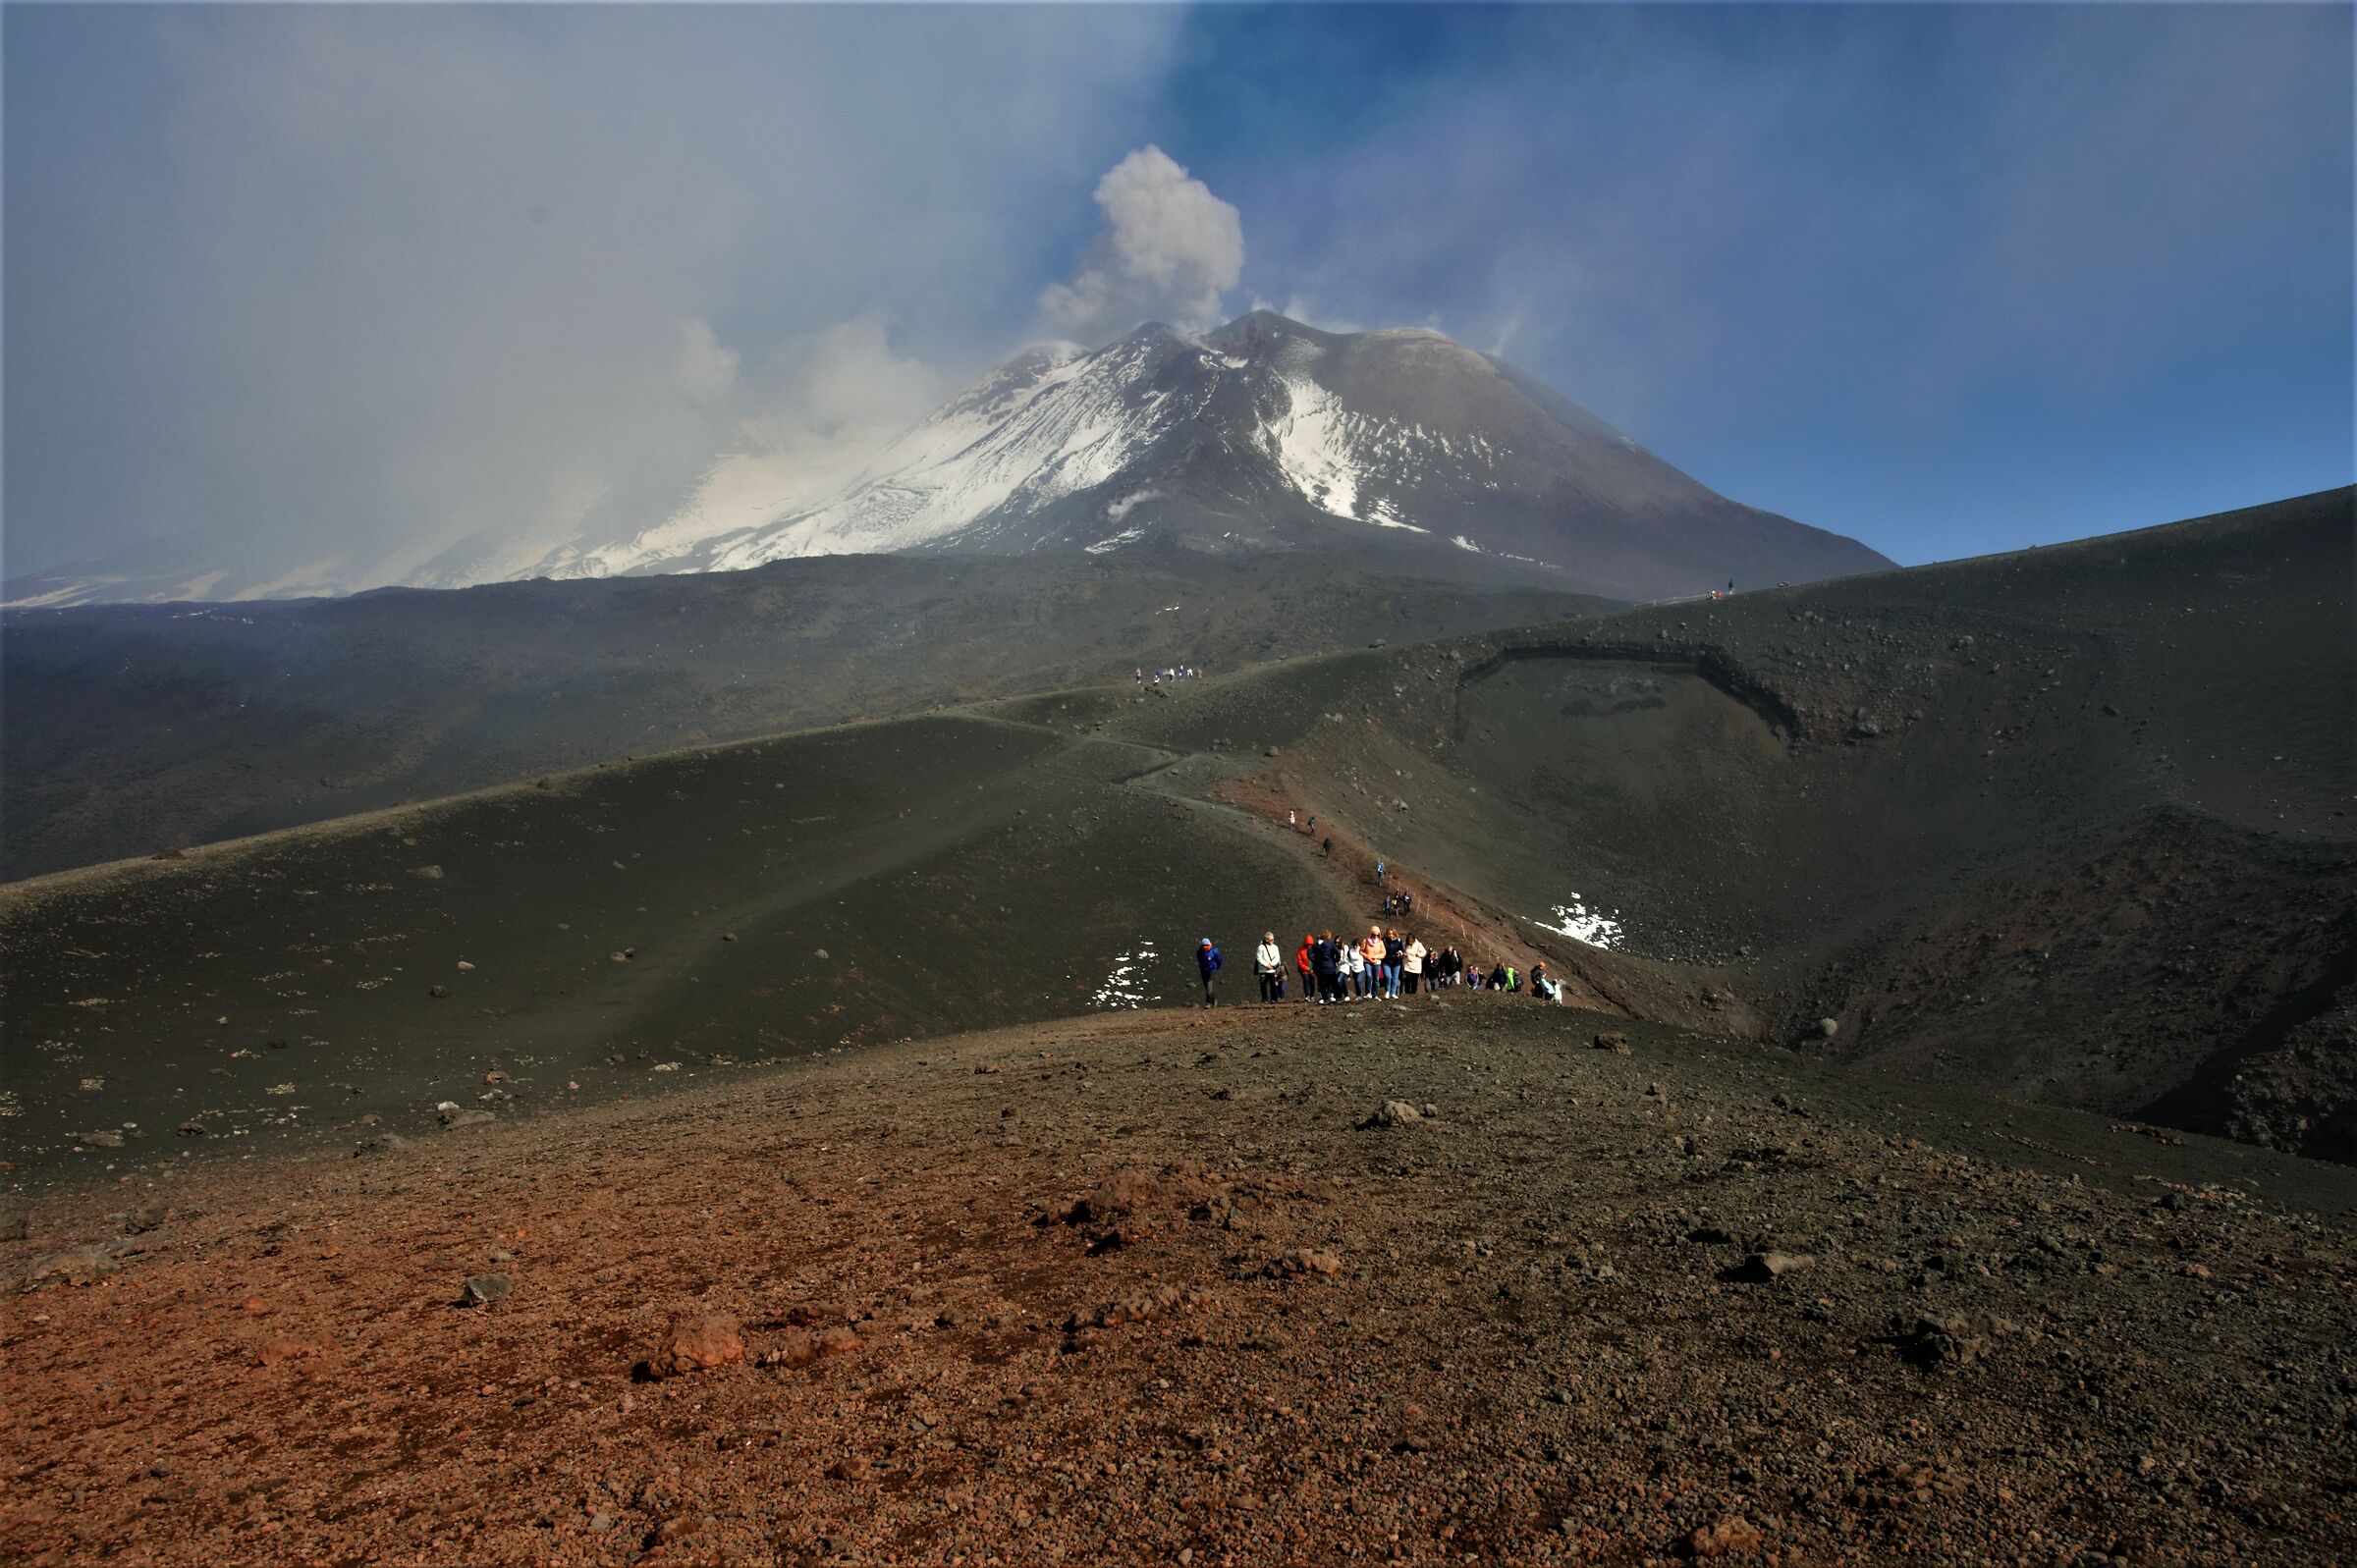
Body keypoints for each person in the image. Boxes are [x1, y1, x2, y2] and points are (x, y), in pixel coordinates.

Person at [1254, 932, 1284, 1003]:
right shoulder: (1261, 947)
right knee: (1263, 985)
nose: (1273, 941)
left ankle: (1273, 999)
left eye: (1273, 939)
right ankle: (1265, 999)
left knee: (1273, 984)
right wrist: (1266, 965)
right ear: (1266, 940)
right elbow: (1259, 958)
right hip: (1263, 970)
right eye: (1271, 940)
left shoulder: (1275, 947)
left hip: (1272, 970)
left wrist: (1272, 965)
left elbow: (1277, 957)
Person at [1197, 938, 1222, 1007]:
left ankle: (1208, 1003)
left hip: (1212, 971)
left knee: (1209, 986)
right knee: (1207, 987)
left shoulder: (1214, 952)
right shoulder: (1199, 952)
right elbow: (1200, 960)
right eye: (1203, 945)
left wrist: (1216, 968)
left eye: (1206, 945)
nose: (1205, 947)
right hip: (1204, 971)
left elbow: (1219, 960)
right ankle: (1214, 1000)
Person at [1383, 928, 1405, 998]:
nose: (1390, 935)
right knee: (1388, 976)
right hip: (1386, 961)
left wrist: (1400, 952)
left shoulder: (1398, 941)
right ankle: (1387, 991)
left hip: (1396, 961)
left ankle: (1393, 993)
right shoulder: (1383, 940)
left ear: (1395, 934)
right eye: (1389, 933)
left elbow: (1401, 949)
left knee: (1395, 977)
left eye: (1392, 933)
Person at [1294, 933, 1315, 1002]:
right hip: (1303, 970)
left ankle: (1312, 996)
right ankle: (1307, 996)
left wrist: (1312, 968)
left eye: (1310, 944)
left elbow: (1315, 959)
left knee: (1312, 982)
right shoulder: (1301, 951)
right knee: (1306, 981)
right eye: (1308, 944)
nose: (1309, 945)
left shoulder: (1314, 950)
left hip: (1312, 969)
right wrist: (1306, 968)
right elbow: (1299, 961)